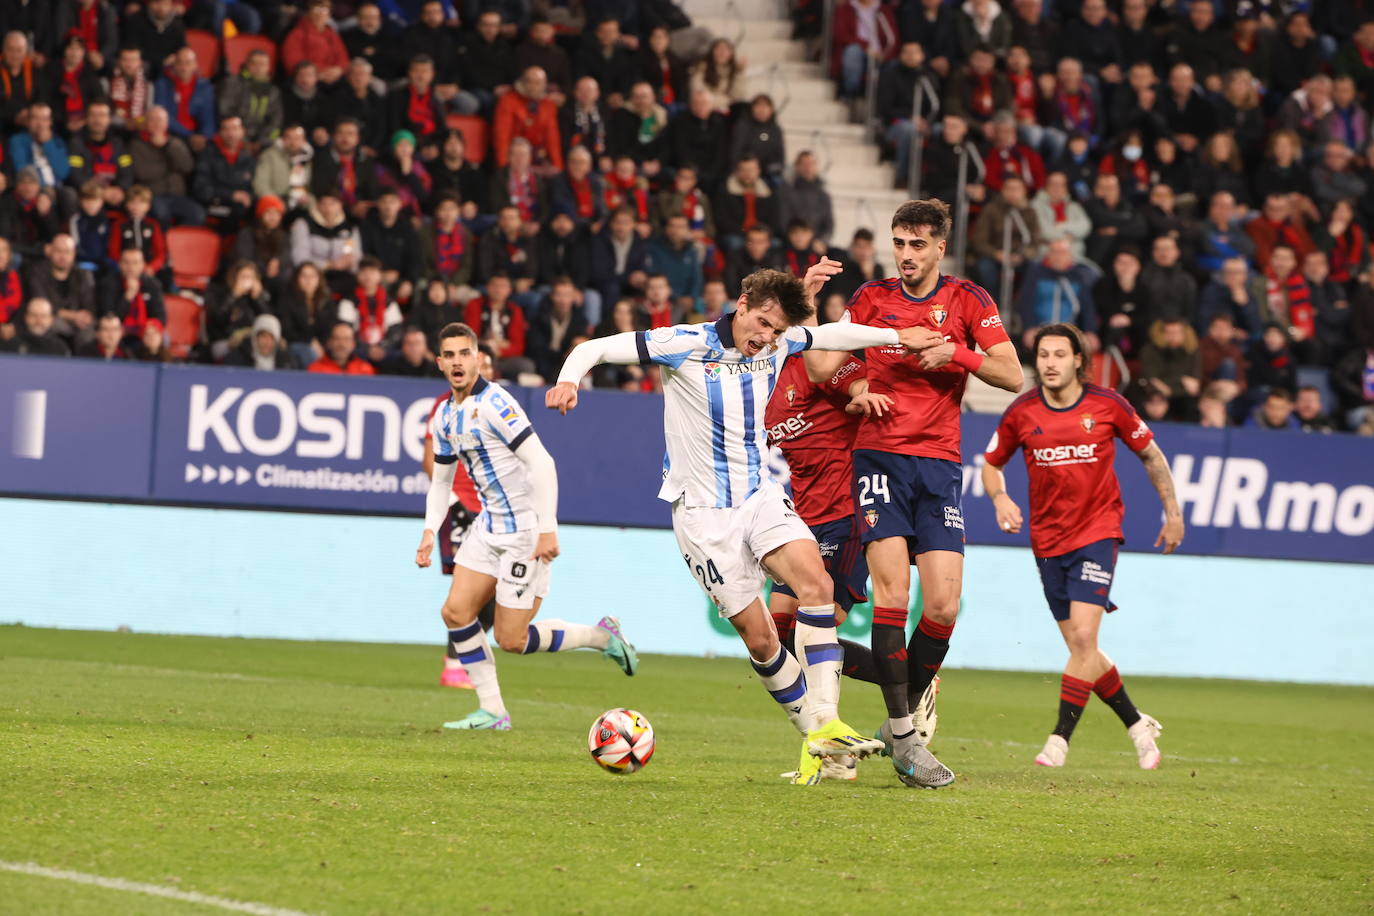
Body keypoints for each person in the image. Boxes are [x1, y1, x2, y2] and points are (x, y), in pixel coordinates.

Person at [548, 266, 939, 784]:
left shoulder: (779, 342)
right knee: (760, 639)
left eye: (776, 332)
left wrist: (897, 336)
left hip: (759, 497)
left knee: (816, 585)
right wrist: (568, 379)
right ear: (741, 302)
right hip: (702, 516)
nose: (765, 338)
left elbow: (834, 335)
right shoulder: (683, 342)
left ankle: (827, 723)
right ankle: (815, 731)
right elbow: (595, 347)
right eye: (760, 324)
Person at [813, 198, 1023, 788]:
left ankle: (901, 712)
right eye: (898, 243)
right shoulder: (871, 300)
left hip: (938, 466)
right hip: (878, 457)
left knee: (943, 607)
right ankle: (904, 735)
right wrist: (857, 382)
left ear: (938, 248)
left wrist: (954, 351)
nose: (904, 255)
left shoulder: (967, 300)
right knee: (891, 595)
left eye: (915, 245)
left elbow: (1012, 375)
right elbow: (823, 365)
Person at [981, 322, 1181, 770]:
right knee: (1081, 649)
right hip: (1048, 542)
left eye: (1059, 355)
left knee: (1086, 637)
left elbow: (1150, 454)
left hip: (1098, 531)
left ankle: (1059, 739)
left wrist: (1173, 511)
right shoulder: (1021, 412)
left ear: (1078, 361)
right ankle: (1136, 723)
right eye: (1043, 355)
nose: (1049, 363)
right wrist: (1000, 497)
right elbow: (991, 464)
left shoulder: (1108, 405)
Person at [418, 321, 637, 731]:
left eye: (465, 353)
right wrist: (430, 530)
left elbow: (542, 462)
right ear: (440, 362)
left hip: (524, 531)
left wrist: (547, 528)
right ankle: (493, 712)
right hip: (488, 527)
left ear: (478, 357)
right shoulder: (445, 416)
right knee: (455, 611)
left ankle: (602, 637)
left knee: (512, 640)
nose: (458, 362)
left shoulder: (497, 404)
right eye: (449, 355)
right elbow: (441, 480)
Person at [309, 320, 375, 375]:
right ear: (329, 342)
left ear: (353, 344)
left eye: (346, 339)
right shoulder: (316, 369)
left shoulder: (365, 370)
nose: (341, 344)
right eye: (337, 338)